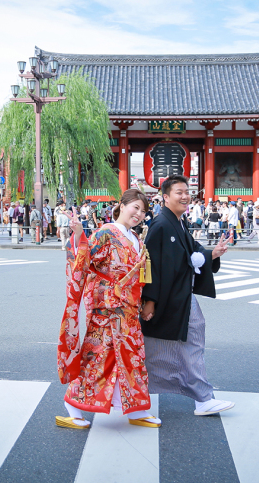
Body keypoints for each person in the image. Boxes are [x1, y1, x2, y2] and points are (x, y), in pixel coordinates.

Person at [56, 189, 160, 430]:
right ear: (121, 205)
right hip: (107, 308)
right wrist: (79, 234)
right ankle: (73, 407)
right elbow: (85, 260)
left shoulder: (135, 238)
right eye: (135, 207)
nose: (139, 214)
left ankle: (136, 408)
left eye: (143, 211)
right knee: (97, 357)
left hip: (129, 309)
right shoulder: (105, 232)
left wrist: (144, 301)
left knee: (131, 358)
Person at [140, 175, 235, 417]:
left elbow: (193, 251)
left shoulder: (178, 223)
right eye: (179, 192)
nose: (185, 196)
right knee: (158, 347)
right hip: (169, 298)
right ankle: (134, 391)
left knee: (184, 342)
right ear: (165, 197)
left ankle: (201, 397)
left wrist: (212, 253)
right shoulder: (161, 225)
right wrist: (149, 300)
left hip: (179, 296)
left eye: (187, 192)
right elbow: (151, 266)